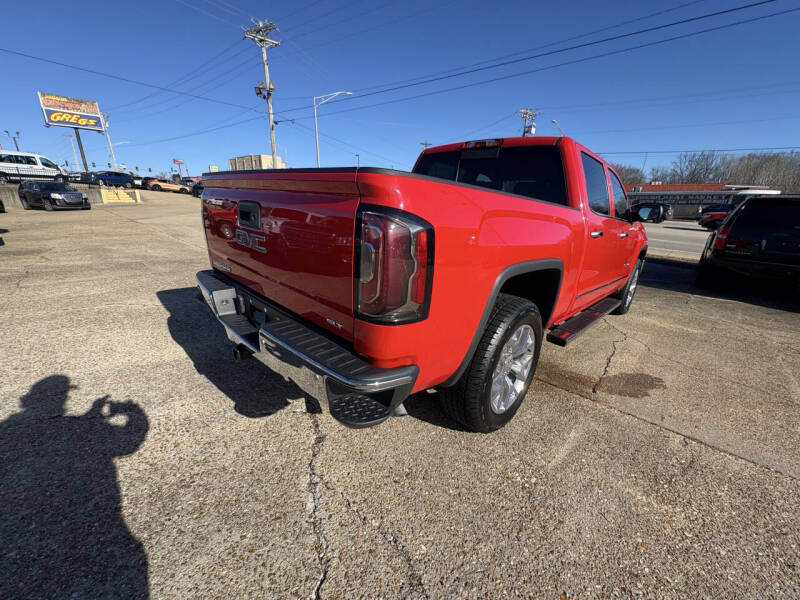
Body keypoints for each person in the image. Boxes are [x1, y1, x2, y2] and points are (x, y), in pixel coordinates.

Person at [0, 375, 149, 599]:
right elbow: (129, 442)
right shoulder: (72, 426)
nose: (66, 397)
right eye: (66, 393)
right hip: (101, 529)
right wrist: (133, 411)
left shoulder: (9, 430)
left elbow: (67, 431)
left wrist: (92, 416)